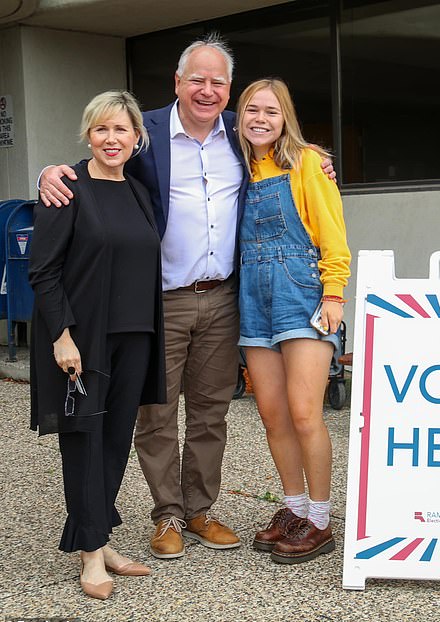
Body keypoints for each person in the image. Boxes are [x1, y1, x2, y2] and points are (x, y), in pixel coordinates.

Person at [38, 34, 335, 560]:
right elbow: (104, 153)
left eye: (218, 82)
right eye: (196, 79)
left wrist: (314, 157)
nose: (207, 90)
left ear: (229, 91)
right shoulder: (145, 131)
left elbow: (285, 155)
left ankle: (200, 509)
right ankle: (167, 514)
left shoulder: (241, 135)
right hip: (160, 298)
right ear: (177, 83)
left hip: (225, 296)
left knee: (211, 410)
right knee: (155, 411)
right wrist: (51, 172)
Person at [29, 90, 166, 600]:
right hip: (83, 340)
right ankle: (90, 558)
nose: (112, 139)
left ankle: (99, 537)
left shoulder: (135, 190)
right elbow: (43, 271)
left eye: (122, 130)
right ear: (88, 134)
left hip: (136, 336)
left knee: (114, 440)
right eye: (102, 129)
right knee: (85, 441)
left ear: (136, 138)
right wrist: (62, 336)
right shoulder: (67, 187)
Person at [236, 78, 351, 563]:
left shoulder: (306, 162)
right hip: (251, 299)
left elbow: (332, 234)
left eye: (272, 111)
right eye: (251, 110)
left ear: (286, 118)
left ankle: (321, 520)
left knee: (306, 413)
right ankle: (294, 507)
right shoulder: (235, 167)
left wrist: (334, 293)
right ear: (237, 117)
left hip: (302, 295)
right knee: (272, 415)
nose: (261, 119)